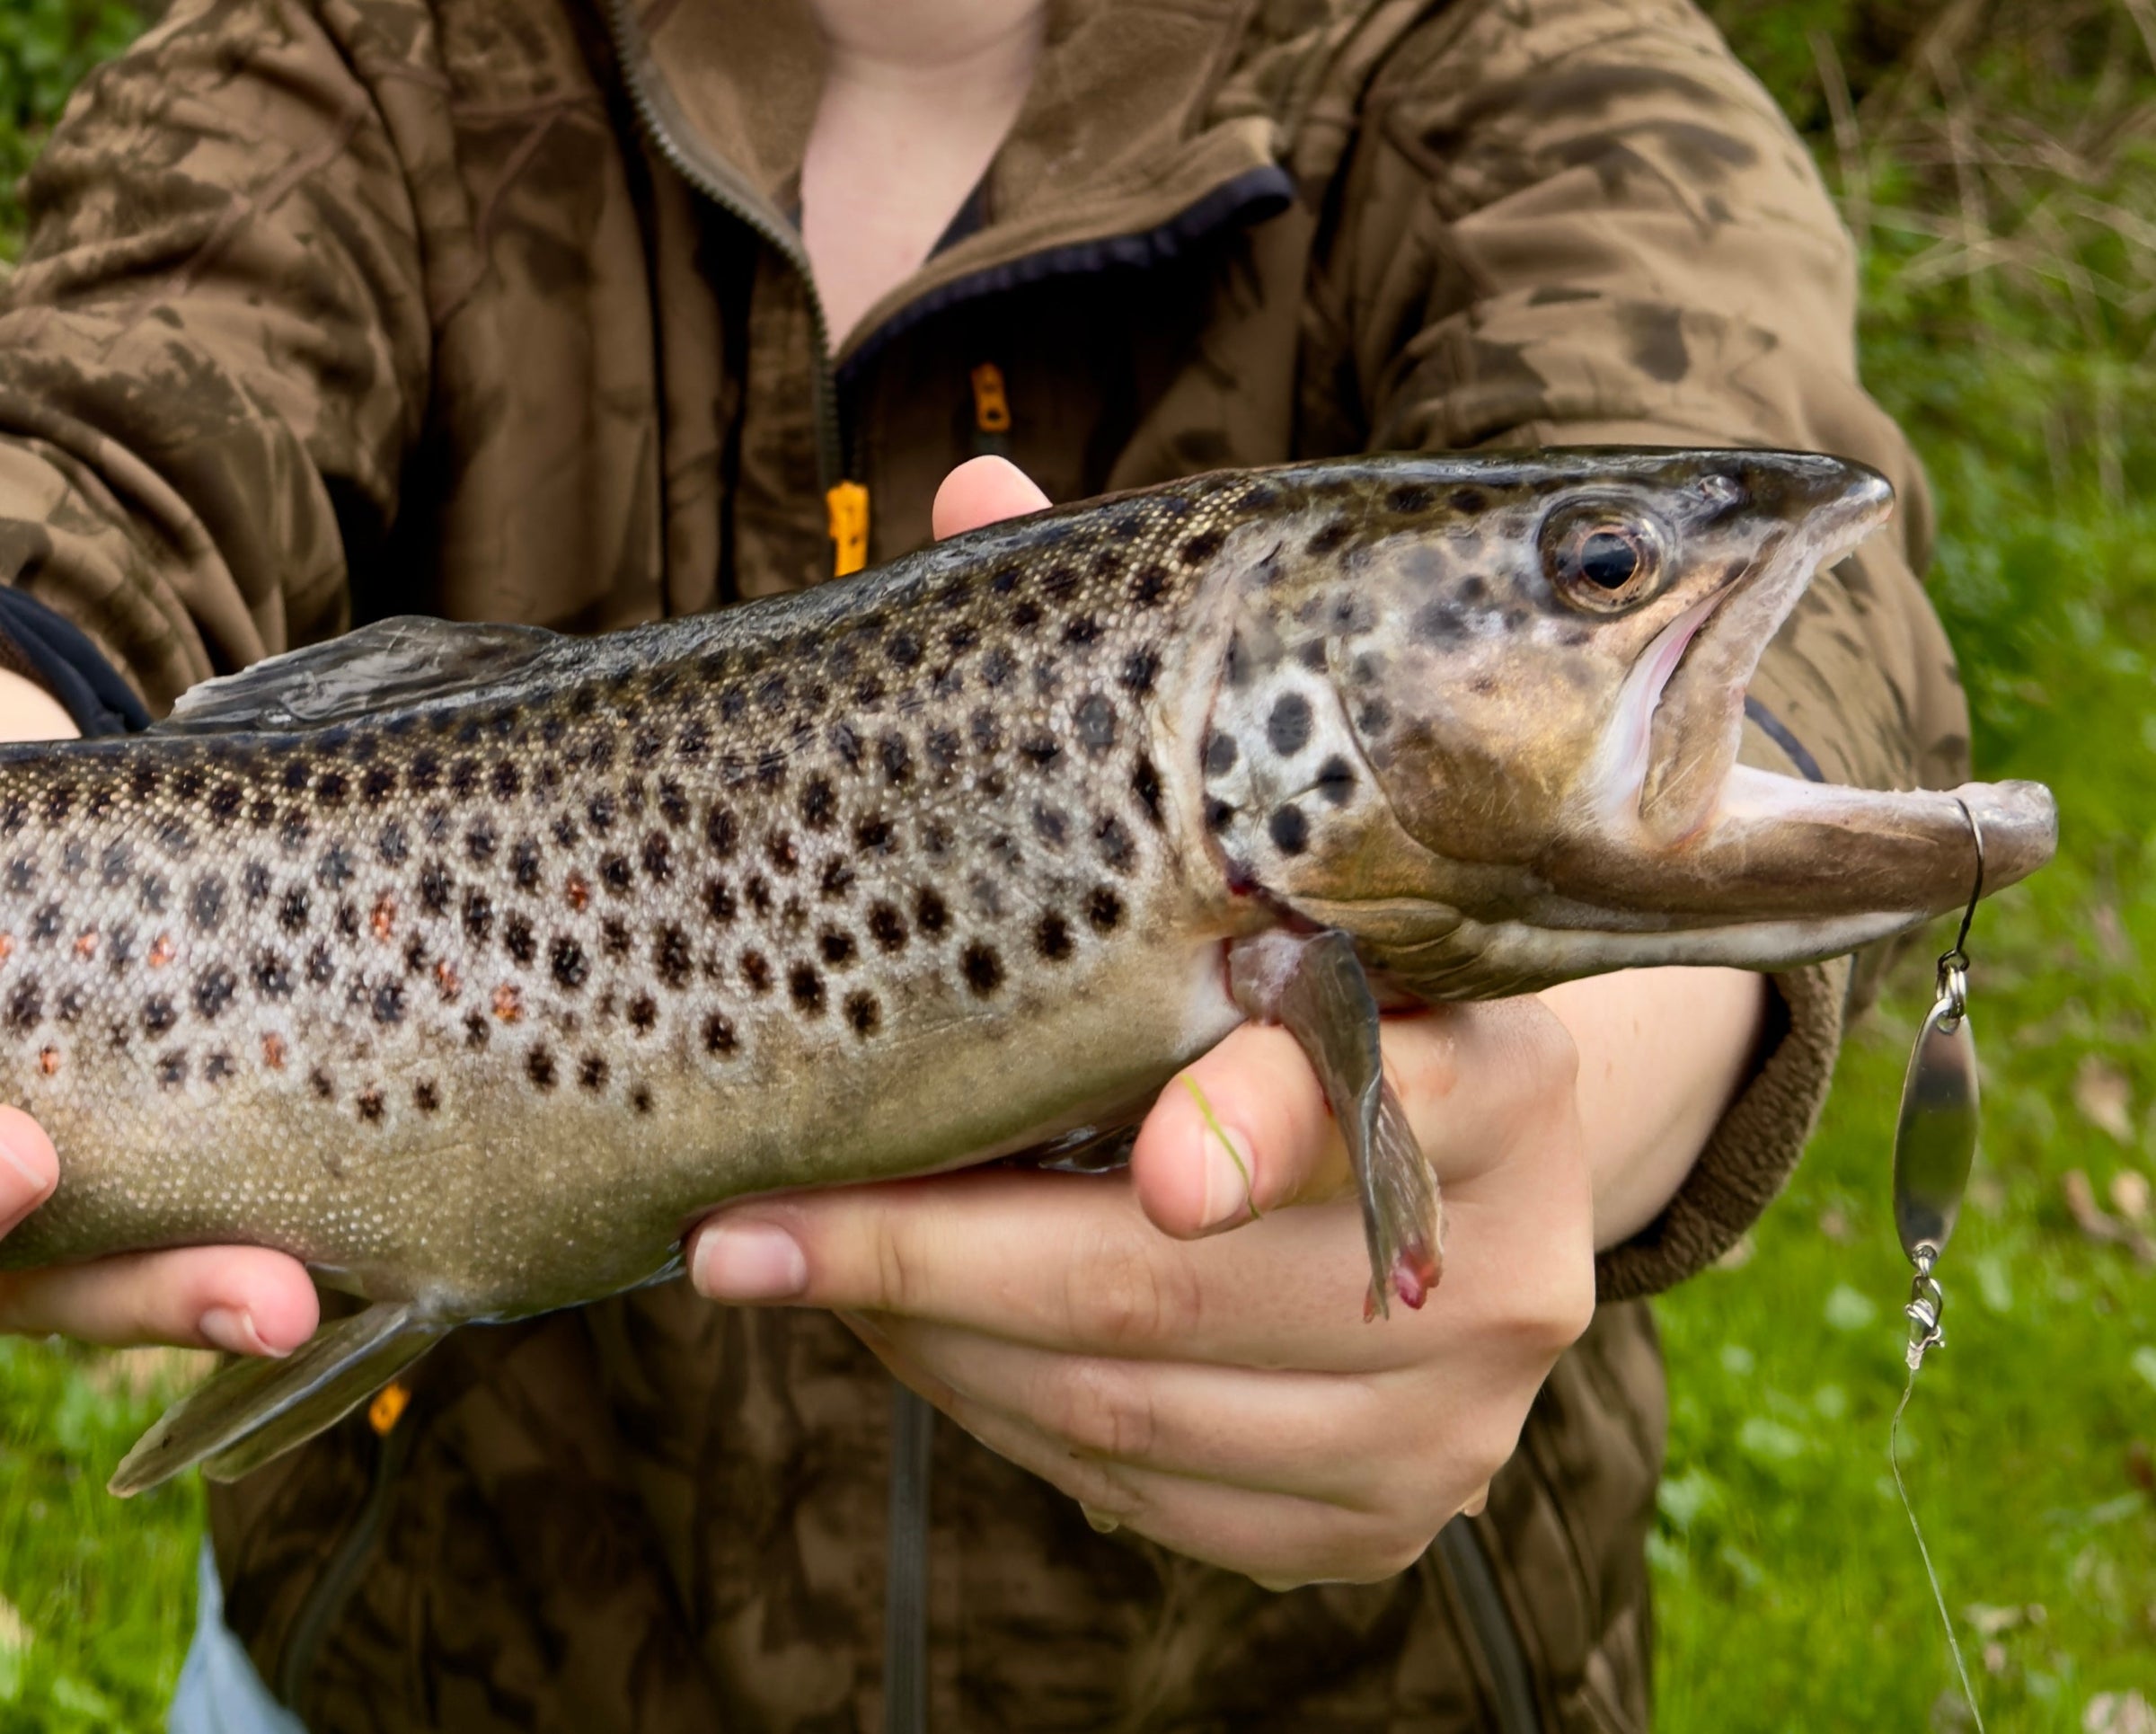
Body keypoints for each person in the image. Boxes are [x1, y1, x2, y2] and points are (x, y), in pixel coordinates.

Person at [0, 0, 1967, 1726]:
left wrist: (1588, 1084)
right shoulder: (358, 53)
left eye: (1598, 567)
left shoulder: (1501, 58)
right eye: (1611, 572)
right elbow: (82, 443)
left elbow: (1755, 486)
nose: (1637, 592)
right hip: (425, 1671)